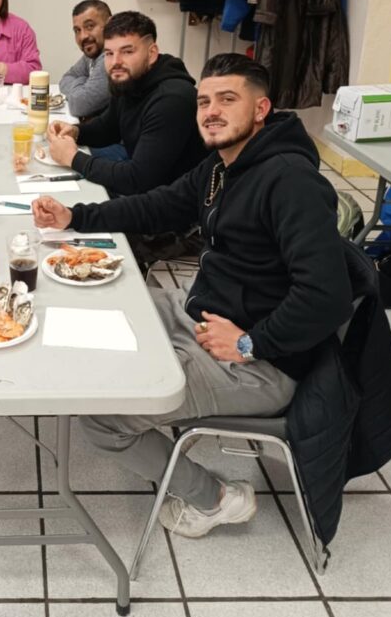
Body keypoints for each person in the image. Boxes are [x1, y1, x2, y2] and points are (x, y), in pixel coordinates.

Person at [33, 53, 354, 538]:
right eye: (204, 101)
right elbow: (162, 204)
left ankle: (216, 500)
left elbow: (328, 295)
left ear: (261, 108)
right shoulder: (225, 163)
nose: (211, 111)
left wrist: (252, 343)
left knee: (102, 420)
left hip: (258, 363)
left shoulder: (290, 181)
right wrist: (75, 217)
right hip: (204, 314)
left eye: (228, 99)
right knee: (99, 306)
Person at [47, 11, 206, 195]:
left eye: (127, 51)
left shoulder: (171, 100)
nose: (116, 62)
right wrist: (76, 131)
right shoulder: (129, 80)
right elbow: (108, 127)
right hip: (148, 193)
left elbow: (138, 179)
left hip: (171, 206)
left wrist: (73, 158)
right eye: (109, 53)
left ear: (152, 53)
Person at [59, 0, 112, 119]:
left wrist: (81, 85)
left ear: (110, 24)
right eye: (77, 30)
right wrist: (84, 83)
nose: (83, 36)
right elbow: (66, 78)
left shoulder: (110, 57)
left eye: (90, 26)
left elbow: (79, 105)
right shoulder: (93, 53)